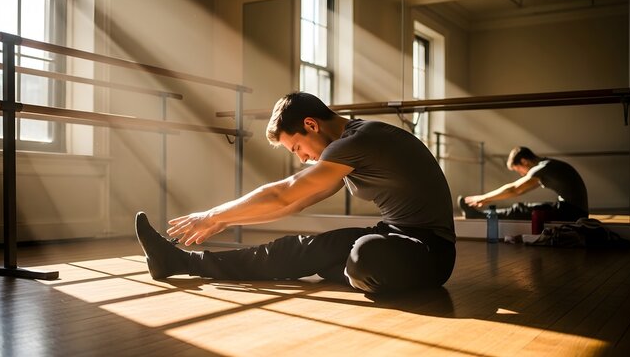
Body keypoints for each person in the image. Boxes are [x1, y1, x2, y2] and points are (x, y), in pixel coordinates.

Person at [135, 91, 456, 294]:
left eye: (298, 147)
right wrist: (227, 221)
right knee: (298, 248)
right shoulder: (348, 146)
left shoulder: (359, 141)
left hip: (429, 251)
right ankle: (181, 262)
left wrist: (213, 214)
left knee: (364, 257)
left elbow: (286, 192)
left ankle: (349, 269)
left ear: (311, 124)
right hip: (393, 235)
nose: (302, 158)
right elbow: (293, 203)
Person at [458, 146, 588, 221]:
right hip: (572, 210)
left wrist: (482, 198)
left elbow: (515, 189)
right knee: (523, 208)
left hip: (572, 214)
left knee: (521, 210)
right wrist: (488, 199)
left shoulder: (542, 168)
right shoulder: (547, 165)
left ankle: (479, 216)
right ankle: (480, 214)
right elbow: (519, 189)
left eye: (518, 169)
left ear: (524, 161)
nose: (521, 174)